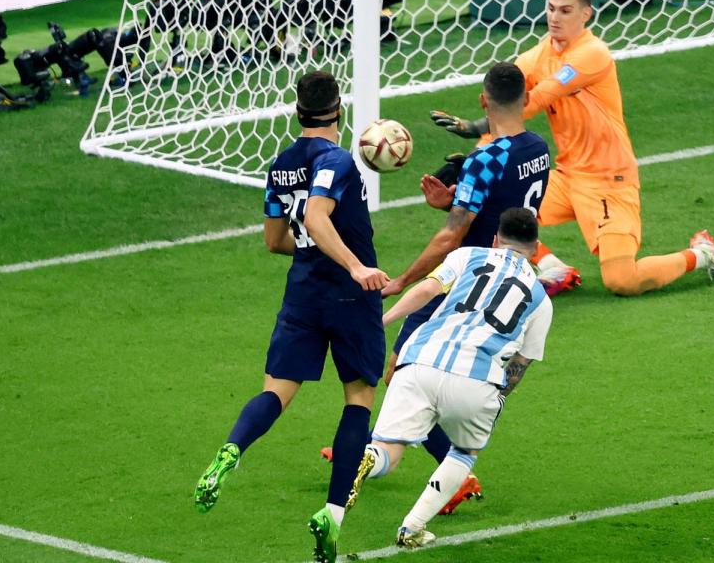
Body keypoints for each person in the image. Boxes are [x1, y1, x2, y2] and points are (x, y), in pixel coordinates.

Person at [321, 61, 551, 516]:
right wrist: (454, 201)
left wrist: (402, 280)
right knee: (408, 370)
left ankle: (442, 469)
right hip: (502, 275)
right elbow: (501, 212)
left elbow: (451, 237)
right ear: (525, 100)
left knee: (403, 370)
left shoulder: (486, 159)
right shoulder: (538, 148)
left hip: (466, 278)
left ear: (483, 100)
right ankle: (380, 446)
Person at [192, 70, 388, 563]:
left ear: (298, 112)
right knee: (359, 398)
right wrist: (355, 266)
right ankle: (333, 514)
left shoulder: (280, 165)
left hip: (302, 294)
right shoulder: (338, 160)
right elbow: (318, 217)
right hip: (351, 296)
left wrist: (312, 251)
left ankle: (233, 448)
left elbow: (275, 240)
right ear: (339, 111)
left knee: (275, 392)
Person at [429, 0, 714, 297]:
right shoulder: (536, 57)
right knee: (486, 201)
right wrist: (477, 160)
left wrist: (475, 126)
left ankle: (702, 254)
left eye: (565, 11)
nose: (555, 17)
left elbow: (541, 96)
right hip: (567, 176)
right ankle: (553, 267)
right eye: (551, 8)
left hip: (609, 181)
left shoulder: (593, 53)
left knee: (623, 281)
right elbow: (504, 104)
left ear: (585, 14)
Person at [349, 207, 553, 547]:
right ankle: (411, 528)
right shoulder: (541, 300)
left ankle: (371, 458)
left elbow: (426, 290)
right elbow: (522, 361)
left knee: (388, 449)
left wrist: (381, 322)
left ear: (495, 240)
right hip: (476, 380)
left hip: (419, 361)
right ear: (535, 249)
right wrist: (501, 396)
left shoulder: (467, 255)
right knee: (463, 452)